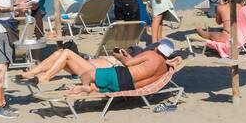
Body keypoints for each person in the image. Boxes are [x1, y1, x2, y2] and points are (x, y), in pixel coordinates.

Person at [19, 39, 179, 94]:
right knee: (60, 54)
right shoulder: (164, 66)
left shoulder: (152, 55)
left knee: (66, 52)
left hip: (113, 74)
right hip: (126, 83)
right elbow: (134, 65)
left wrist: (119, 57)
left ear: (158, 48)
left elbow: (129, 64)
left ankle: (45, 77)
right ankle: (30, 74)